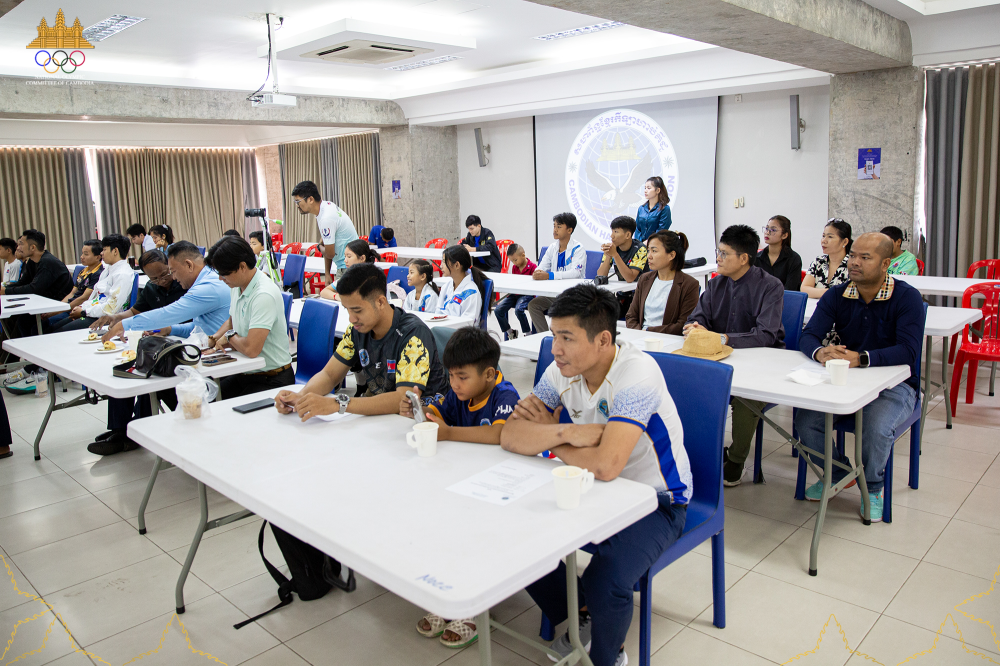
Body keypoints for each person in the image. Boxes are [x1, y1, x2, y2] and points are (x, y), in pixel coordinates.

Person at [501, 283, 690, 666]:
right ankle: (582, 611)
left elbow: (607, 465)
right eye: (554, 335)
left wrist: (551, 438)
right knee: (515, 542)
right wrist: (567, 433)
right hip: (589, 484)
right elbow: (512, 435)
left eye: (567, 338)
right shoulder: (562, 370)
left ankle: (608, 654)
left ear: (603, 339)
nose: (555, 349)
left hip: (656, 500)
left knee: (606, 579)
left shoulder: (636, 375)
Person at [794, 233, 924, 523]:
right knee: (806, 421)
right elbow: (809, 335)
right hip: (847, 381)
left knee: (875, 427)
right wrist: (819, 352)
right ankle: (839, 473)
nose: (854, 262)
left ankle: (873, 487)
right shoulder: (837, 294)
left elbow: (909, 351)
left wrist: (861, 358)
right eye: (853, 255)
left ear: (885, 264)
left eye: (865, 257)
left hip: (896, 385)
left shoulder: (907, 297)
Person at [405, 327, 520, 649]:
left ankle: (475, 607)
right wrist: (420, 412)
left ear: (489, 374)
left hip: (499, 486)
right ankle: (449, 595)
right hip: (464, 480)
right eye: (451, 376)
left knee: (478, 540)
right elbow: (438, 413)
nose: (454, 384)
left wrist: (448, 433)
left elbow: (499, 435)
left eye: (462, 377)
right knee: (444, 531)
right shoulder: (459, 395)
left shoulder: (504, 395)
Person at [90, 242, 231, 455]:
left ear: (189, 265)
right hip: (205, 347)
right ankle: (124, 430)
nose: (173, 277)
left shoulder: (207, 287)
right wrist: (169, 329)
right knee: (144, 364)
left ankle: (135, 432)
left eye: (172, 271)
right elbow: (198, 327)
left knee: (151, 370)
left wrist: (125, 324)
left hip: (219, 356)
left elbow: (169, 312)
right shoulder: (203, 281)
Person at [274, 263, 450, 419]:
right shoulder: (357, 330)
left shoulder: (413, 334)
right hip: (382, 418)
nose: (351, 319)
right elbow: (329, 375)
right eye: (347, 310)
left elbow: (403, 399)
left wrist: (338, 404)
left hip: (421, 422)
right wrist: (302, 396)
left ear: (380, 302)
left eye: (357, 310)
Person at [685, 224, 784, 487]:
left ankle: (737, 460)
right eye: (718, 251)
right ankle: (700, 452)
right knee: (686, 385)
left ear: (743, 258)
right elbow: (697, 318)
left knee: (745, 398)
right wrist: (694, 327)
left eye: (724, 253)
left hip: (762, 363)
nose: (718, 258)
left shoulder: (770, 286)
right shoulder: (715, 284)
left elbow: (766, 335)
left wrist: (722, 338)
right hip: (719, 359)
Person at [87, 250, 188, 455]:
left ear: (170, 266)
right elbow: (134, 312)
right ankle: (119, 429)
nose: (161, 281)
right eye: (154, 278)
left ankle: (135, 431)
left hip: (182, 344)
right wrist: (115, 318)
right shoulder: (151, 288)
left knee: (145, 373)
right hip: (157, 343)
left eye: (165, 274)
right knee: (124, 371)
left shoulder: (184, 284)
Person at [205, 237, 294, 398]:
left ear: (242, 267)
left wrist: (229, 336)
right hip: (246, 372)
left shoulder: (263, 294)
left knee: (222, 407)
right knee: (206, 398)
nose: (220, 278)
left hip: (271, 379)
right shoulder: (237, 285)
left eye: (224, 274)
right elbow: (232, 320)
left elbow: (251, 349)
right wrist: (214, 339)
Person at [52, 235, 134, 332]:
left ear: (115, 251)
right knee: (52, 328)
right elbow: (96, 297)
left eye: (104, 250)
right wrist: (82, 307)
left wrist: (84, 312)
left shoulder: (122, 274)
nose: (101, 253)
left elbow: (111, 308)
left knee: (58, 332)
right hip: (93, 313)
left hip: (105, 318)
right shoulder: (108, 269)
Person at [2, 230, 75, 338]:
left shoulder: (48, 262)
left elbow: (34, 289)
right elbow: (23, 282)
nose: (18, 247)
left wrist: (6, 291)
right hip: (42, 303)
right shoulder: (32, 261)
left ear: (33, 247)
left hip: (57, 305)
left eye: (21, 244)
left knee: (24, 321)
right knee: (16, 319)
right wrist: (4, 290)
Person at [626, 231, 699, 334]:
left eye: (654, 251)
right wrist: (640, 333)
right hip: (640, 336)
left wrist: (648, 331)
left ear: (671, 255)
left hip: (666, 339)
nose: (649, 256)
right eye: (648, 251)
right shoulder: (644, 279)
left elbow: (683, 324)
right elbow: (631, 316)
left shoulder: (689, 284)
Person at [526, 213, 587, 333]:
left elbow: (575, 273)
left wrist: (549, 275)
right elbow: (541, 267)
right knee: (533, 305)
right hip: (555, 294)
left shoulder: (578, 248)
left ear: (569, 230)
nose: (555, 230)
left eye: (559, 227)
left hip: (572, 296)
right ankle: (544, 336)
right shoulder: (552, 248)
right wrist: (537, 272)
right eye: (554, 226)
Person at [291, 180, 359, 285]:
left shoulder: (326, 218)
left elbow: (329, 253)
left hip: (348, 267)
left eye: (298, 201)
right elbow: (327, 243)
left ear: (310, 199)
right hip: (348, 265)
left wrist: (319, 247)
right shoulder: (326, 206)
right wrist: (327, 273)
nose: (297, 205)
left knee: (337, 295)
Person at [44, 239, 104, 331]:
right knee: (43, 324)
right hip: (70, 306)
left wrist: (57, 311)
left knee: (52, 328)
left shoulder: (98, 274)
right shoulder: (83, 271)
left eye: (86, 254)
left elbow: (84, 298)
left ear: (98, 257)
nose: (82, 257)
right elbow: (72, 293)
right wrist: (58, 308)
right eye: (82, 253)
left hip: (78, 309)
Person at [598, 215, 648, 315]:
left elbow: (630, 278)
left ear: (628, 235)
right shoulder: (613, 248)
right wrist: (608, 256)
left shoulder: (640, 249)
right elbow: (601, 275)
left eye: (616, 232)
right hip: (623, 295)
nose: (612, 236)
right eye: (612, 231)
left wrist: (615, 255)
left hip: (640, 297)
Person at [801, 219, 852, 299]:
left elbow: (848, 294)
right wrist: (830, 292)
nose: (824, 241)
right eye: (823, 236)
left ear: (845, 242)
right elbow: (804, 289)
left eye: (830, 237)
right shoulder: (818, 261)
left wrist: (817, 292)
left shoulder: (853, 265)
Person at [436, 245, 487, 325]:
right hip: (443, 328)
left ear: (457, 265)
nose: (441, 266)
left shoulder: (471, 292)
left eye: (444, 262)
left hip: (460, 332)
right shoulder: (446, 287)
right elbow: (438, 312)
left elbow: (467, 324)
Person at [494, 243, 536, 340]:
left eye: (515, 260)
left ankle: (528, 333)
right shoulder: (514, 268)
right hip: (514, 295)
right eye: (512, 261)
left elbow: (534, 286)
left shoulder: (533, 267)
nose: (514, 263)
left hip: (527, 295)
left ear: (523, 255)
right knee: (498, 310)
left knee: (518, 310)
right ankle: (511, 332)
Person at [756, 215, 803, 290]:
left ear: (784, 235)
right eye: (767, 228)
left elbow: (790, 289)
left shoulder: (794, 259)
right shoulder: (757, 258)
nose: (767, 232)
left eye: (773, 230)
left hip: (784, 297)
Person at [634, 176, 672, 242]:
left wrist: (648, 242)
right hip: (640, 245)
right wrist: (639, 243)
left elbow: (662, 231)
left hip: (656, 244)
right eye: (645, 188)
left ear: (658, 190)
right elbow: (637, 228)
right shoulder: (641, 208)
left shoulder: (665, 209)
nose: (645, 191)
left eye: (649, 188)